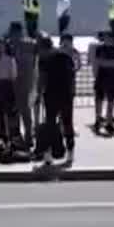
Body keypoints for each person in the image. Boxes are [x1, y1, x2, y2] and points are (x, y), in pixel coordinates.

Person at [38, 35, 77, 165]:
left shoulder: (44, 59)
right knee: (67, 123)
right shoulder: (65, 56)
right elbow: (73, 74)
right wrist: (72, 92)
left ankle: (48, 154)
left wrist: (39, 93)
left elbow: (42, 78)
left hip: (51, 95)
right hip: (66, 94)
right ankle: (70, 152)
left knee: (50, 123)